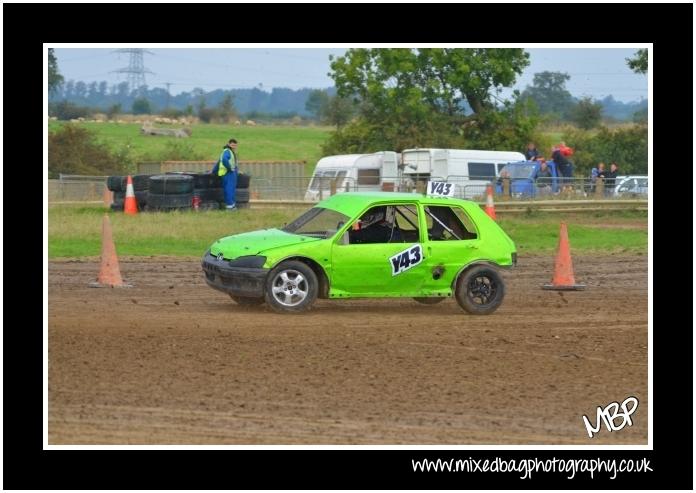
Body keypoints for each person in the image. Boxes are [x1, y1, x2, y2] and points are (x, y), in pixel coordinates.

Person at [212, 138, 239, 210]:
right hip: (228, 173)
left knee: (231, 190)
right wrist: (229, 168)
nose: (234, 146)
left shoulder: (229, 152)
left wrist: (213, 171)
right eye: (232, 145)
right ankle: (230, 207)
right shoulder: (227, 151)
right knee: (229, 190)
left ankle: (232, 206)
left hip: (230, 173)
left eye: (235, 145)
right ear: (229, 144)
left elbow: (219, 162)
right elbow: (224, 159)